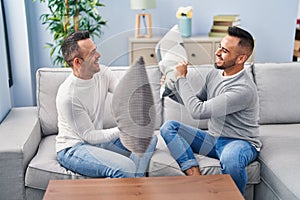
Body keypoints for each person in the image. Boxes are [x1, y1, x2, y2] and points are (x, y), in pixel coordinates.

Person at [160, 26, 262, 194]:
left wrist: (181, 79)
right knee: (169, 127)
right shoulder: (215, 74)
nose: (217, 53)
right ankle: (195, 177)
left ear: (241, 58)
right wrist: (171, 90)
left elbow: (198, 111)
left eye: (224, 51)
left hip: (239, 142)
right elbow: (198, 102)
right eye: (219, 47)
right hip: (213, 139)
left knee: (230, 159)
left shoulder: (242, 89)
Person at [56, 30, 157, 178]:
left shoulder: (102, 73)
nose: (98, 55)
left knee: (149, 138)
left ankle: (134, 180)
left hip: (97, 143)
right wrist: (123, 129)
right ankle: (132, 180)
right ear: (78, 62)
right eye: (92, 53)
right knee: (127, 167)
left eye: (95, 50)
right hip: (74, 148)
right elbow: (89, 136)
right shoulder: (68, 97)